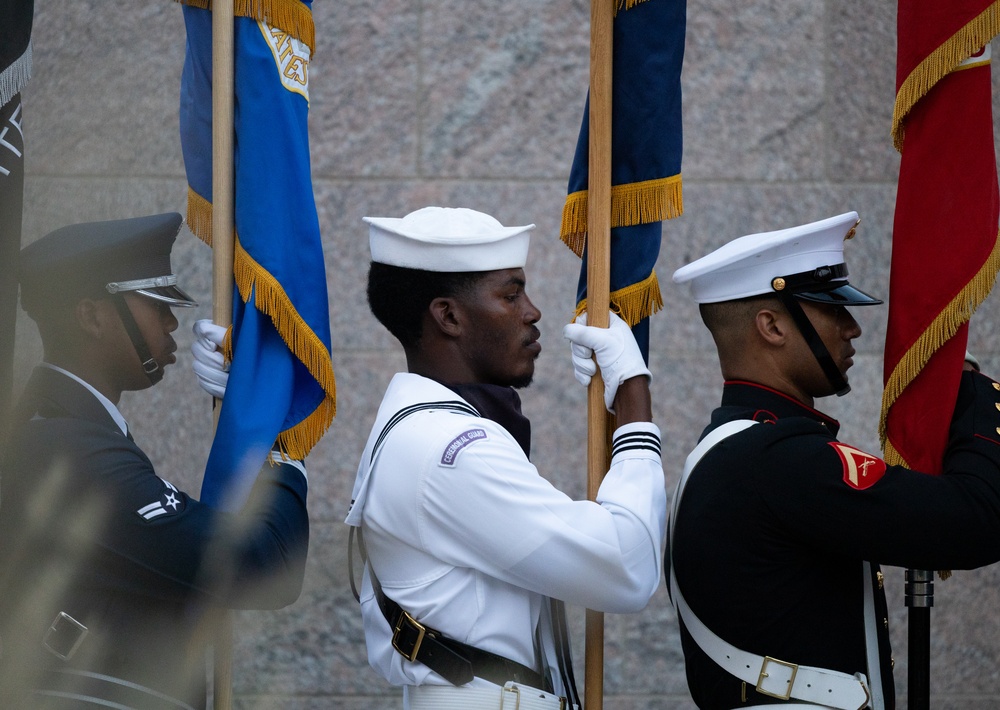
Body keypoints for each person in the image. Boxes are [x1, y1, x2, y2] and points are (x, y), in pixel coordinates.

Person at [667, 211, 1000, 709]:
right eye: (832, 311)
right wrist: (972, 391)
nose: (853, 329)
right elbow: (976, 518)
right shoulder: (777, 459)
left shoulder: (736, 450)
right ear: (773, 326)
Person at [345, 206, 667, 710]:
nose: (533, 311)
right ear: (449, 316)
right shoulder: (450, 452)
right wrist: (634, 402)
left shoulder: (422, 429)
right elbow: (627, 567)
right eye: (511, 295)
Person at [0, 213, 309, 710]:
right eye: (155, 306)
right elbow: (265, 563)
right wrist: (276, 442)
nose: (171, 324)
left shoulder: (61, 428)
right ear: (92, 316)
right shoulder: (75, 450)